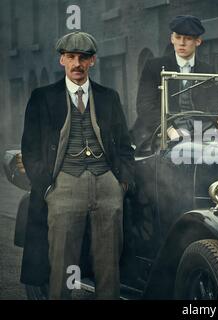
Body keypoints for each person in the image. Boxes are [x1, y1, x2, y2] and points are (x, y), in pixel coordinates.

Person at [20, 31, 135, 299]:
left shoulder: (109, 97)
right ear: (62, 60)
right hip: (64, 185)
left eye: (83, 58)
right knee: (61, 264)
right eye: (70, 57)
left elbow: (125, 146)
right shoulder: (42, 97)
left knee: (109, 267)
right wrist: (48, 187)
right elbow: (30, 149)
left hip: (107, 183)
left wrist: (122, 183)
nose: (77, 64)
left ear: (92, 61)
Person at [131, 15, 218, 149]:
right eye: (178, 37)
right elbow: (145, 106)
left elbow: (216, 100)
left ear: (198, 41)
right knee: (184, 148)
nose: (182, 43)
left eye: (188, 38)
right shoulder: (154, 67)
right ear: (172, 38)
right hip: (164, 127)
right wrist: (169, 129)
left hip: (200, 127)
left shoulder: (206, 69)